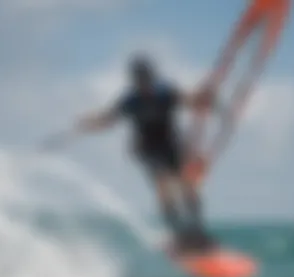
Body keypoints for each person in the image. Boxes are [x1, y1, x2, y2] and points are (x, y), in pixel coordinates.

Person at [64, 55, 218, 252]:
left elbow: (192, 102)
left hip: (172, 145)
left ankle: (198, 233)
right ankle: (179, 235)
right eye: (140, 80)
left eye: (147, 79)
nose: (145, 84)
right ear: (135, 81)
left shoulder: (166, 92)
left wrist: (205, 98)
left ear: (152, 77)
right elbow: (108, 120)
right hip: (148, 149)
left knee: (188, 186)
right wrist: (89, 123)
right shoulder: (131, 100)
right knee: (164, 185)